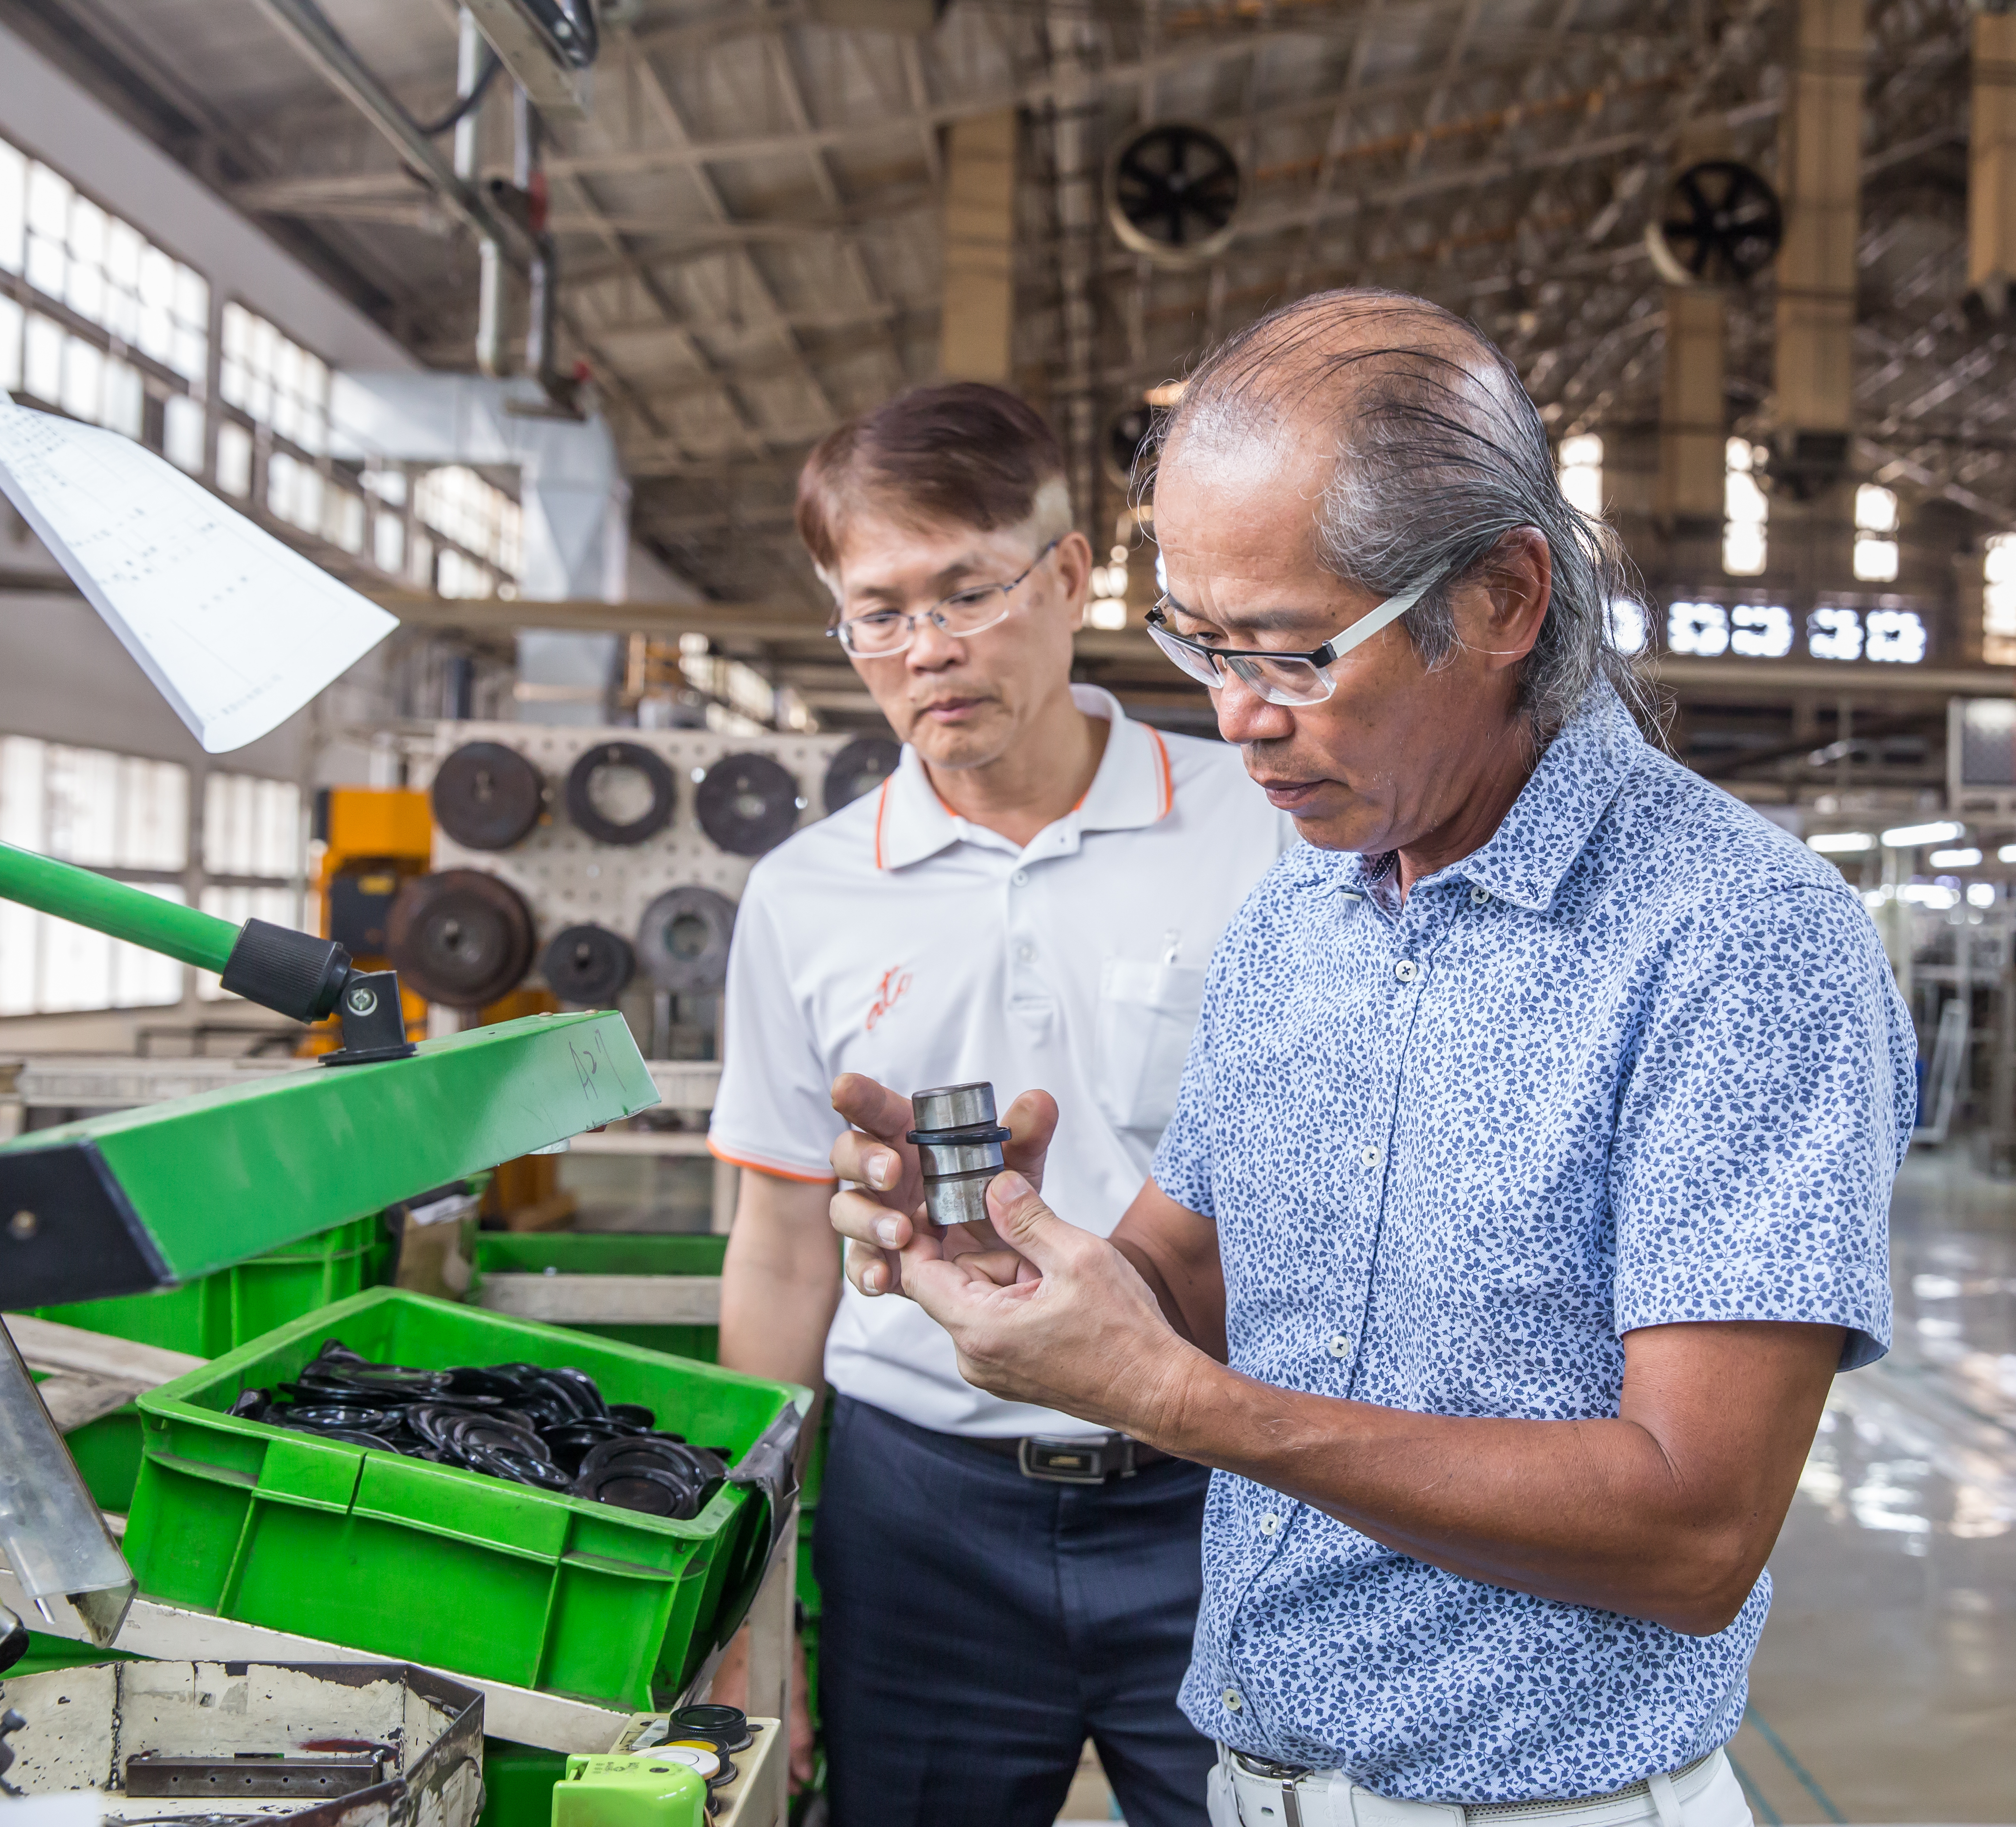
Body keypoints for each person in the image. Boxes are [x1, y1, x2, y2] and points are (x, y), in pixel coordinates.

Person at [821, 289, 1913, 1827]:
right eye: (1197, 647)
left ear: (1505, 600)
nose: (1238, 723)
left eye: (1291, 655)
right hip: (1254, 1784)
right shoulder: (1304, 904)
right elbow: (1188, 1278)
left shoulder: (1736, 941)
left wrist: (1191, 1410)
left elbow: (1694, 1528)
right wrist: (1016, 1259)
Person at [706, 381, 1287, 1827]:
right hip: (924, 1519)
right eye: (880, 610)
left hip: (1226, 1472)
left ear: (1076, 575)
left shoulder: (1262, 825)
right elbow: (780, 1248)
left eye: (967, 589)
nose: (931, 649)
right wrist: (741, 1596)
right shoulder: (803, 895)